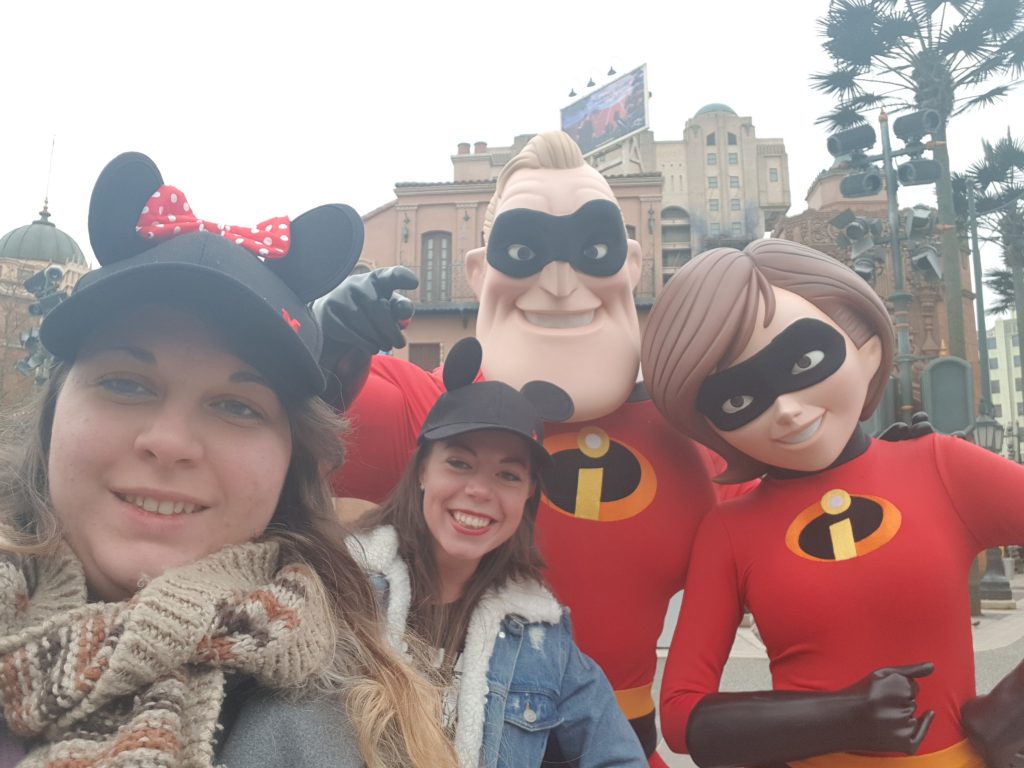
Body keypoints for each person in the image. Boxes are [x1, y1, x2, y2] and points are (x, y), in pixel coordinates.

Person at [0, 151, 457, 768]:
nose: (171, 441)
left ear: (292, 461)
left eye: (237, 406)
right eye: (126, 384)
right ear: (54, 412)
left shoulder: (367, 729)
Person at [317, 131, 726, 765]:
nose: (561, 283)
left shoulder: (692, 439)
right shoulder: (432, 412)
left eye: (593, 248)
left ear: (632, 263)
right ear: (480, 273)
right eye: (525, 250)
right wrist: (321, 354)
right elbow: (268, 435)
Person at [641, 238, 1024, 768]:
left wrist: (1010, 712)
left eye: (804, 361)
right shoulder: (731, 529)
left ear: (865, 346)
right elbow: (682, 718)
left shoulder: (943, 467)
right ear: (710, 426)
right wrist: (839, 715)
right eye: (737, 399)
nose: (788, 412)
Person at [347, 337, 646, 768]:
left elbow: (617, 756)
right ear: (422, 472)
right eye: (460, 463)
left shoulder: (543, 635)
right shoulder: (344, 587)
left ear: (528, 496)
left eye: (508, 474)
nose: (480, 491)